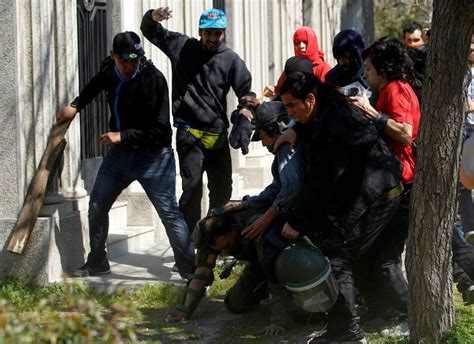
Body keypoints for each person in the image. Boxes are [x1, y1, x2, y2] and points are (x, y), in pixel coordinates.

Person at [57, 31, 195, 278]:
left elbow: (160, 130)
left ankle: (191, 272)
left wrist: (123, 135)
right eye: (125, 61)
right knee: (97, 206)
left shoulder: (154, 80)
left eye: (135, 60)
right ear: (113, 57)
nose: (131, 65)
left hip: (154, 157)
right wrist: (75, 106)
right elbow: (95, 84)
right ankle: (98, 260)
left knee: (169, 214)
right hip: (120, 157)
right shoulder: (110, 69)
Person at [278, 72, 403, 343]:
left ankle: (347, 333)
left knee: (338, 250)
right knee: (356, 254)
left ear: (310, 99)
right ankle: (376, 313)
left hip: (377, 192)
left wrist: (297, 220)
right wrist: (295, 129)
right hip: (371, 188)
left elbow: (321, 184)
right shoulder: (326, 110)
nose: (289, 112)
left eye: (291, 106)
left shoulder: (335, 125)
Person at [165, 101, 307, 335]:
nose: (222, 254)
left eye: (226, 248)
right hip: (258, 265)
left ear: (233, 231)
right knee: (235, 304)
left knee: (291, 296)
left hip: (281, 253)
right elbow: (201, 271)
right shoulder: (212, 228)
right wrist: (183, 309)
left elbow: (273, 271)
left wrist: (277, 322)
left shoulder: (254, 226)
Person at [141, 7, 255, 233]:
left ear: (224, 33)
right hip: (189, 131)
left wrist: (245, 117)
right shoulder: (182, 47)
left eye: (217, 33)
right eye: (208, 33)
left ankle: (214, 240)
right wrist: (153, 17)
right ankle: (189, 245)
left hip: (217, 133)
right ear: (200, 31)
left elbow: (247, 94)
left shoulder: (231, 59)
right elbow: (150, 30)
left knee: (222, 190)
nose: (213, 38)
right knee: (192, 189)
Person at [265, 27, 331, 98]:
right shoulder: (293, 66)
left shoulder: (323, 68)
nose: (301, 46)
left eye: (305, 42)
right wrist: (271, 92)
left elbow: (327, 96)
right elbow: (280, 90)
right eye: (298, 43)